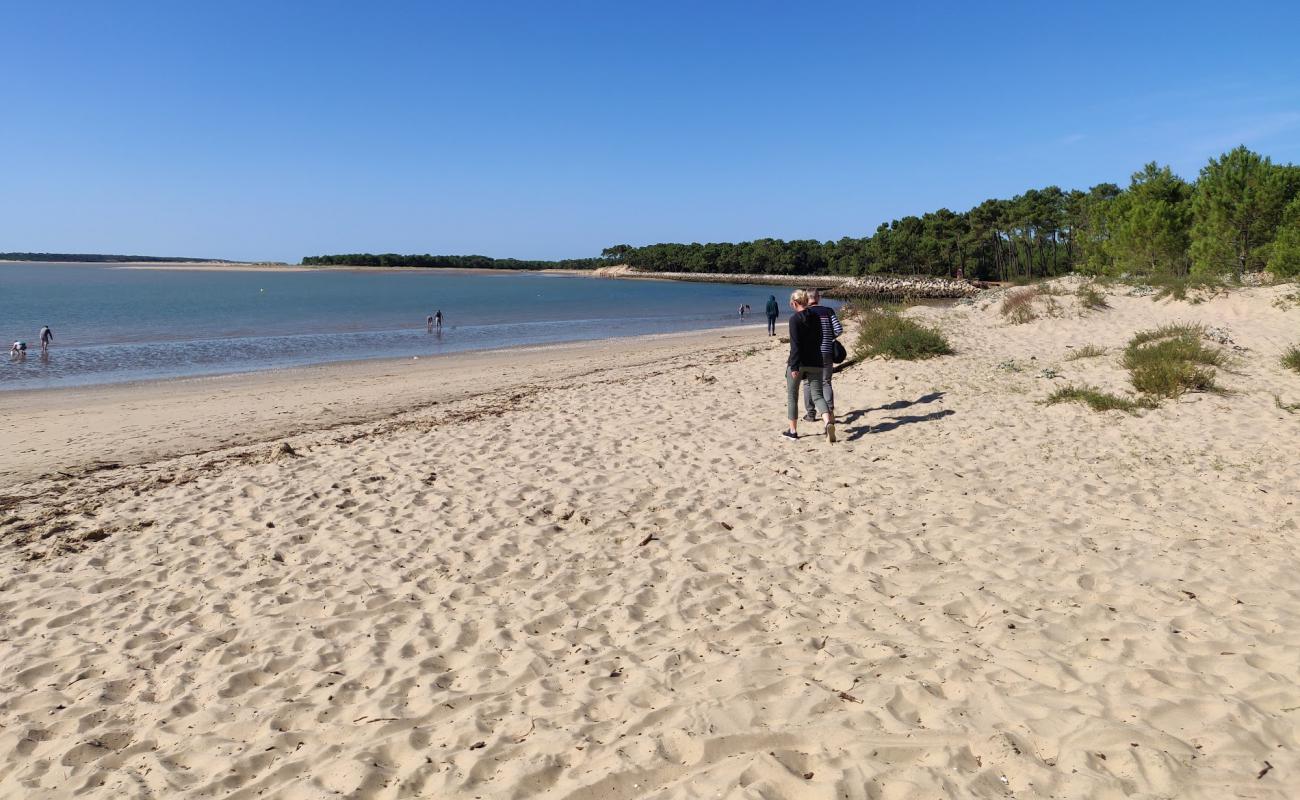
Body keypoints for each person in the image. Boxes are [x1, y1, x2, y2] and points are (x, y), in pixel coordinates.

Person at [783, 289, 834, 443]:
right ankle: (828, 422)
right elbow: (820, 339)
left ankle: (793, 431)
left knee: (792, 396)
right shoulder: (816, 317)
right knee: (818, 395)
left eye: (791, 303)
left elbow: (795, 345)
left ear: (795, 303)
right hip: (816, 360)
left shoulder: (794, 319)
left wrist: (794, 366)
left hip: (799, 362)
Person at [801, 289, 844, 422]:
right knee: (826, 382)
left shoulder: (805, 313)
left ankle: (811, 413)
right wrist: (830, 337)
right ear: (818, 297)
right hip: (827, 351)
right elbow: (838, 329)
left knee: (808, 383)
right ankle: (829, 411)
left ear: (806, 299)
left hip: (810, 354)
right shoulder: (828, 311)